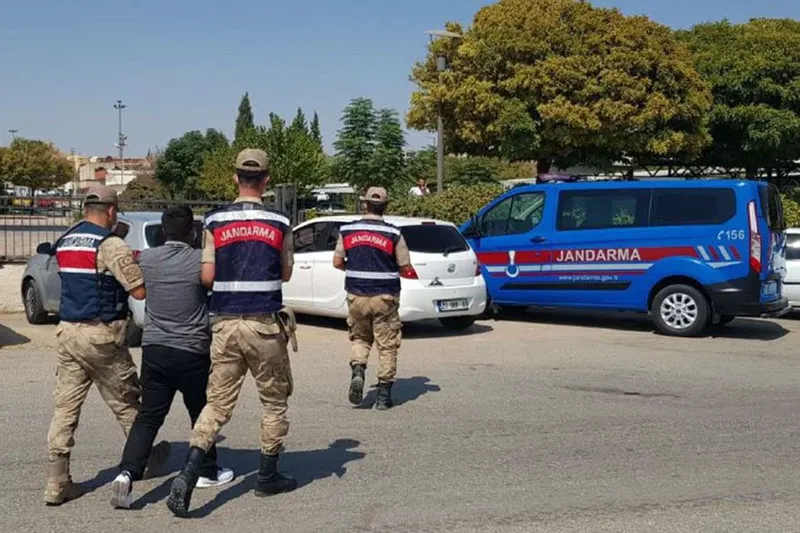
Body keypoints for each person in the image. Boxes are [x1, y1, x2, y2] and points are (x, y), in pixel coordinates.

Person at [166, 148, 298, 517]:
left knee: (217, 404)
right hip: (264, 325)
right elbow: (286, 273)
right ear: (266, 180)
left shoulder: (214, 221)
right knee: (274, 402)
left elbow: (207, 276)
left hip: (225, 324)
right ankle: (267, 476)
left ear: (235, 177)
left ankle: (188, 474)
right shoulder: (279, 222)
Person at [45, 185, 168, 506]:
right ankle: (144, 459)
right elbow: (138, 291)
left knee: (65, 408)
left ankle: (57, 482)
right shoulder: (111, 244)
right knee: (126, 400)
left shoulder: (67, 239)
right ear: (111, 211)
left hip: (68, 332)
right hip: (101, 334)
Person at [110, 206, 234, 509]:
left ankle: (127, 473)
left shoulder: (147, 259)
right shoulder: (199, 260)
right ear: (191, 232)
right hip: (192, 349)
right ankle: (206, 470)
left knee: (149, 416)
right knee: (200, 410)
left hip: (155, 348)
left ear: (164, 231)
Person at [333, 187, 412, 410]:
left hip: (356, 295)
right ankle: (383, 396)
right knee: (386, 346)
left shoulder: (347, 230)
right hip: (385, 297)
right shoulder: (394, 233)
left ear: (365, 204)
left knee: (360, 339)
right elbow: (405, 266)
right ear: (385, 206)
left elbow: (337, 262)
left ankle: (358, 370)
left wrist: (354, 268)